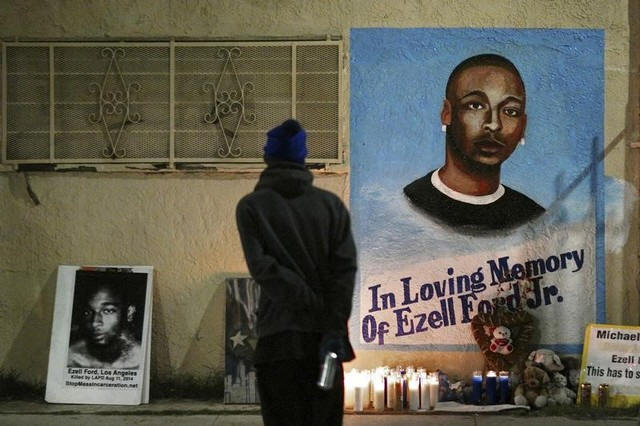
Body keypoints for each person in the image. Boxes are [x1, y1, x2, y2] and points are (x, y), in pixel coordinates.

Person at [236, 119, 357, 426]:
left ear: (268, 155)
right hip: (325, 341)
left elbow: (264, 268)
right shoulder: (331, 206)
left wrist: (307, 301)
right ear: (303, 156)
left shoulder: (252, 207)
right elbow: (344, 272)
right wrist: (331, 323)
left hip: (279, 341)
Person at [404, 54, 545, 231]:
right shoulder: (407, 205)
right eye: (476, 106)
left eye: (510, 111)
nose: (494, 124)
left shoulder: (535, 219)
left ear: (522, 127)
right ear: (447, 113)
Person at [67, 280, 142, 369]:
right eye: (87, 312)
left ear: (129, 313)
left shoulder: (141, 358)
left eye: (107, 311)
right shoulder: (71, 358)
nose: (94, 323)